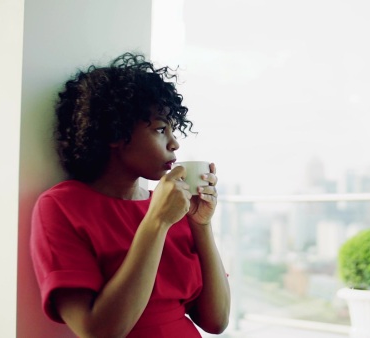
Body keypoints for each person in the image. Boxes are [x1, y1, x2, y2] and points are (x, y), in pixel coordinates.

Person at [30, 52, 230, 338]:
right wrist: (157, 222)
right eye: (161, 129)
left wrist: (201, 225)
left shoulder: (171, 205)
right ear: (115, 133)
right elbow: (99, 331)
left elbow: (216, 321)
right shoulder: (61, 206)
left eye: (173, 130)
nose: (174, 143)